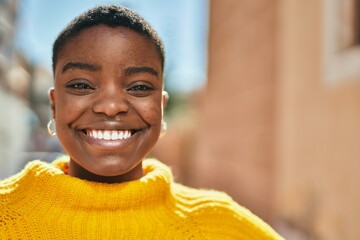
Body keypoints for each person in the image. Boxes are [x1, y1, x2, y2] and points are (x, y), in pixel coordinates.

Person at [0, 5, 283, 239]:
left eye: (138, 87)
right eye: (82, 85)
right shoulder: (6, 215)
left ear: (161, 108)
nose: (111, 107)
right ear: (54, 105)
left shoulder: (218, 225)